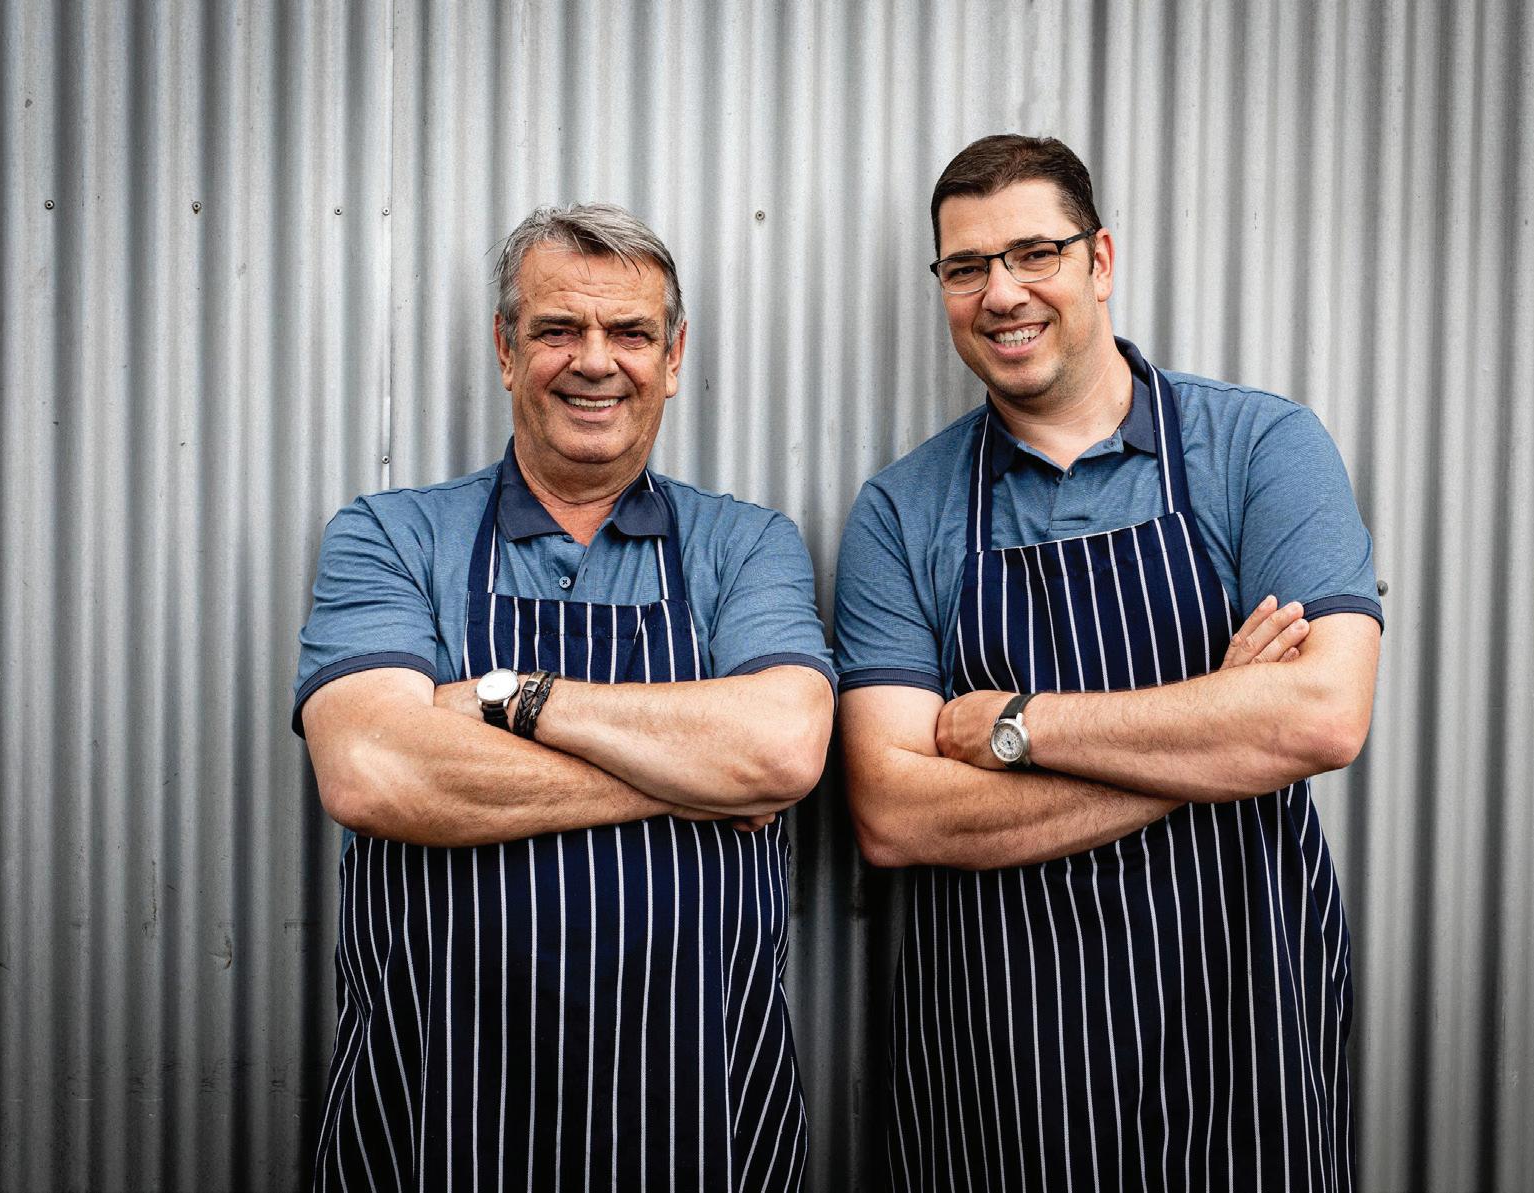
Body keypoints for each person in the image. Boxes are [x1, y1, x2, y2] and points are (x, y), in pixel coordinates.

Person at [834, 134, 1382, 1191]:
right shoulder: (903, 512)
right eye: (966, 267)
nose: (1002, 293)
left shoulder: (1259, 448)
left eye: (1034, 253)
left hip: (1245, 1018)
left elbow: (1320, 717)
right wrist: (1222, 730)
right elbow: (895, 813)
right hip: (1001, 1050)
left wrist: (1017, 725)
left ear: (1100, 261)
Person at [293, 203, 834, 1191]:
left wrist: (509, 696)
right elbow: (373, 770)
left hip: (702, 1118)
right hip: (434, 1115)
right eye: (557, 329)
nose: (595, 360)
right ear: (507, 350)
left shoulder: (746, 545)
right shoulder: (391, 536)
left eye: (630, 332)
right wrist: (691, 777)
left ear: (672, 357)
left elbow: (781, 751)